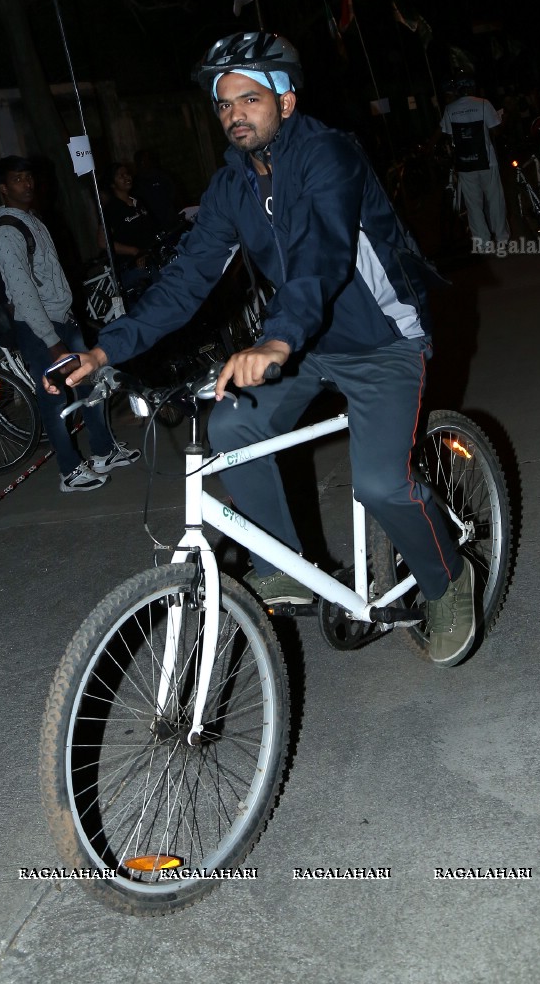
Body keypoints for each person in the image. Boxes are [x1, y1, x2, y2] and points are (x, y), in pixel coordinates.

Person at [53, 33, 476, 667]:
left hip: (379, 340)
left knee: (384, 485)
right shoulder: (231, 186)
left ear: (286, 100)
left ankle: (449, 582)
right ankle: (287, 562)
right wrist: (104, 352)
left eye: (249, 99)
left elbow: (322, 254)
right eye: (223, 105)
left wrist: (276, 337)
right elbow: (187, 280)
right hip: (303, 344)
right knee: (231, 421)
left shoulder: (328, 156)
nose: (234, 115)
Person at [0, 155, 139, 493]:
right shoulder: (7, 233)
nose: (26, 184)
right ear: (3, 188)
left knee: (91, 384)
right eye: (17, 179)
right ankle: (69, 471)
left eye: (29, 177)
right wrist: (51, 341)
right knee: (55, 401)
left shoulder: (31, 219)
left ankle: (102, 451)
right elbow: (24, 293)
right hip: (40, 329)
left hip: (63, 320)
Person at [439, 76, 510, 251]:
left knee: (473, 204)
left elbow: (449, 136)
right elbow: (495, 131)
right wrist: (505, 119)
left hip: (465, 163)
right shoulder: (484, 104)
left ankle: (484, 243)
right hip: (487, 161)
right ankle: (501, 238)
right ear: (472, 88)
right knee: (495, 200)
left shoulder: (450, 109)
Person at [100, 162, 164, 297]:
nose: (126, 177)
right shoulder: (112, 209)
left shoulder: (138, 202)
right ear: (112, 183)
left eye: (127, 174)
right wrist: (134, 251)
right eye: (120, 176)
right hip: (133, 268)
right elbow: (102, 241)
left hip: (151, 260)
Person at [133, 148, 184, 233]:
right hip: (153, 225)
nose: (144, 163)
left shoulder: (163, 176)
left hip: (170, 220)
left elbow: (176, 195)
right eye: (141, 161)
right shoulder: (135, 183)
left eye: (146, 159)